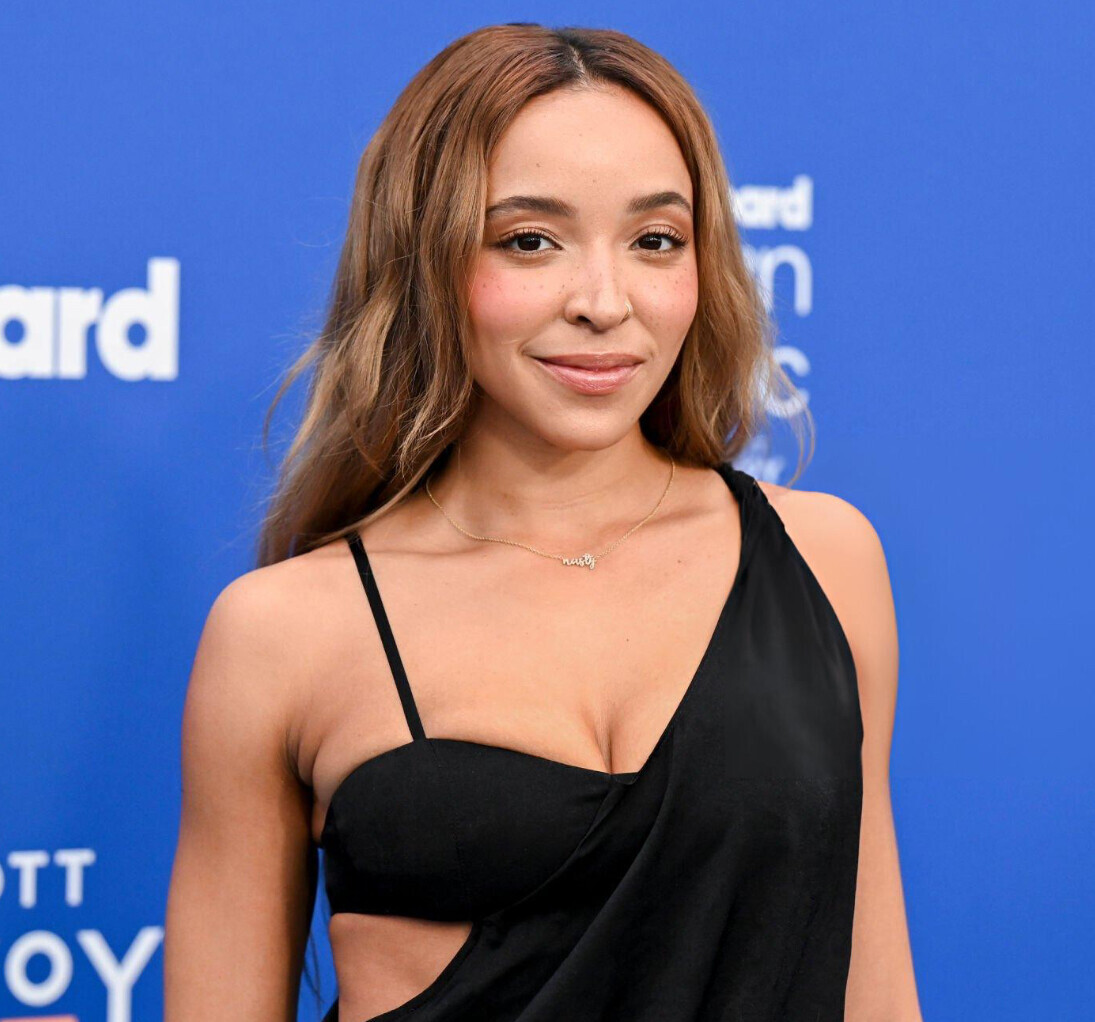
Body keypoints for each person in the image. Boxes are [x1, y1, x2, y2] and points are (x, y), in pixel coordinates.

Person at [163, 23, 922, 1022]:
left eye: (655, 241)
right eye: (529, 241)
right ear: (424, 261)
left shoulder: (825, 559)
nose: (604, 301)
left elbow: (873, 991)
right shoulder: (282, 633)